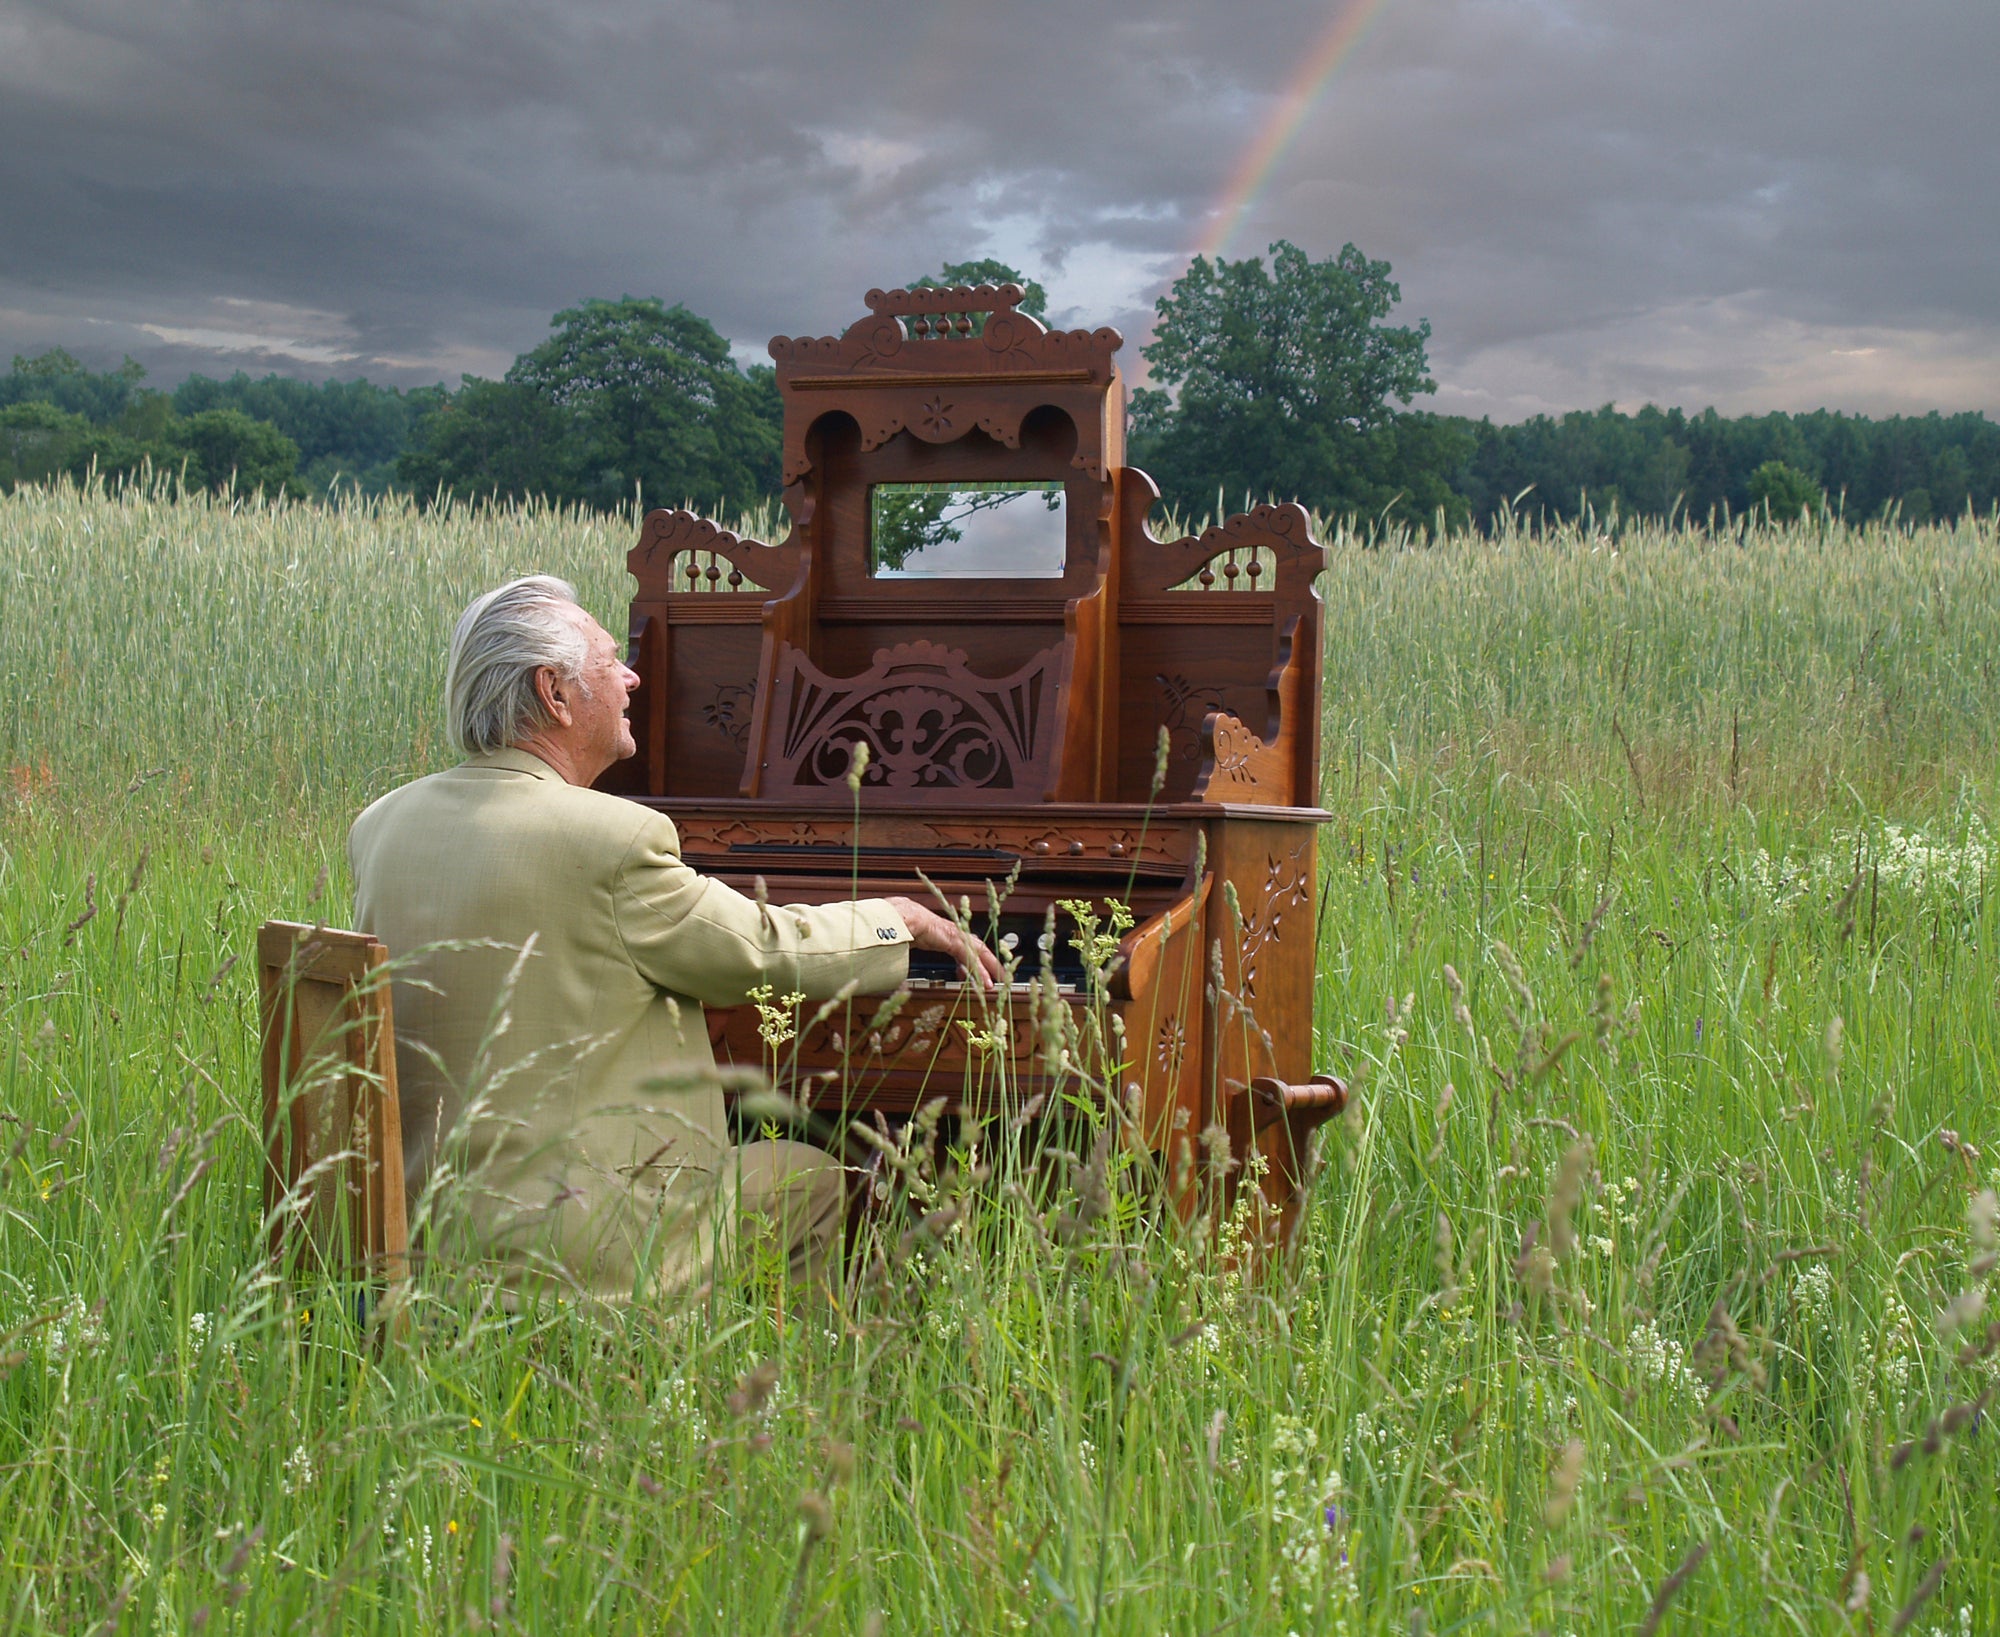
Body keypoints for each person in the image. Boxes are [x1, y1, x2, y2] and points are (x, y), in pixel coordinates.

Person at [348, 575, 1000, 1302]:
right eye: (608, 662)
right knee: (813, 1176)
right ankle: (774, 1396)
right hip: (591, 1251)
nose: (631, 676)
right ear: (555, 694)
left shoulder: (381, 824)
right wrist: (900, 917)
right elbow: (764, 947)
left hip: (424, 1242)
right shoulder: (613, 837)